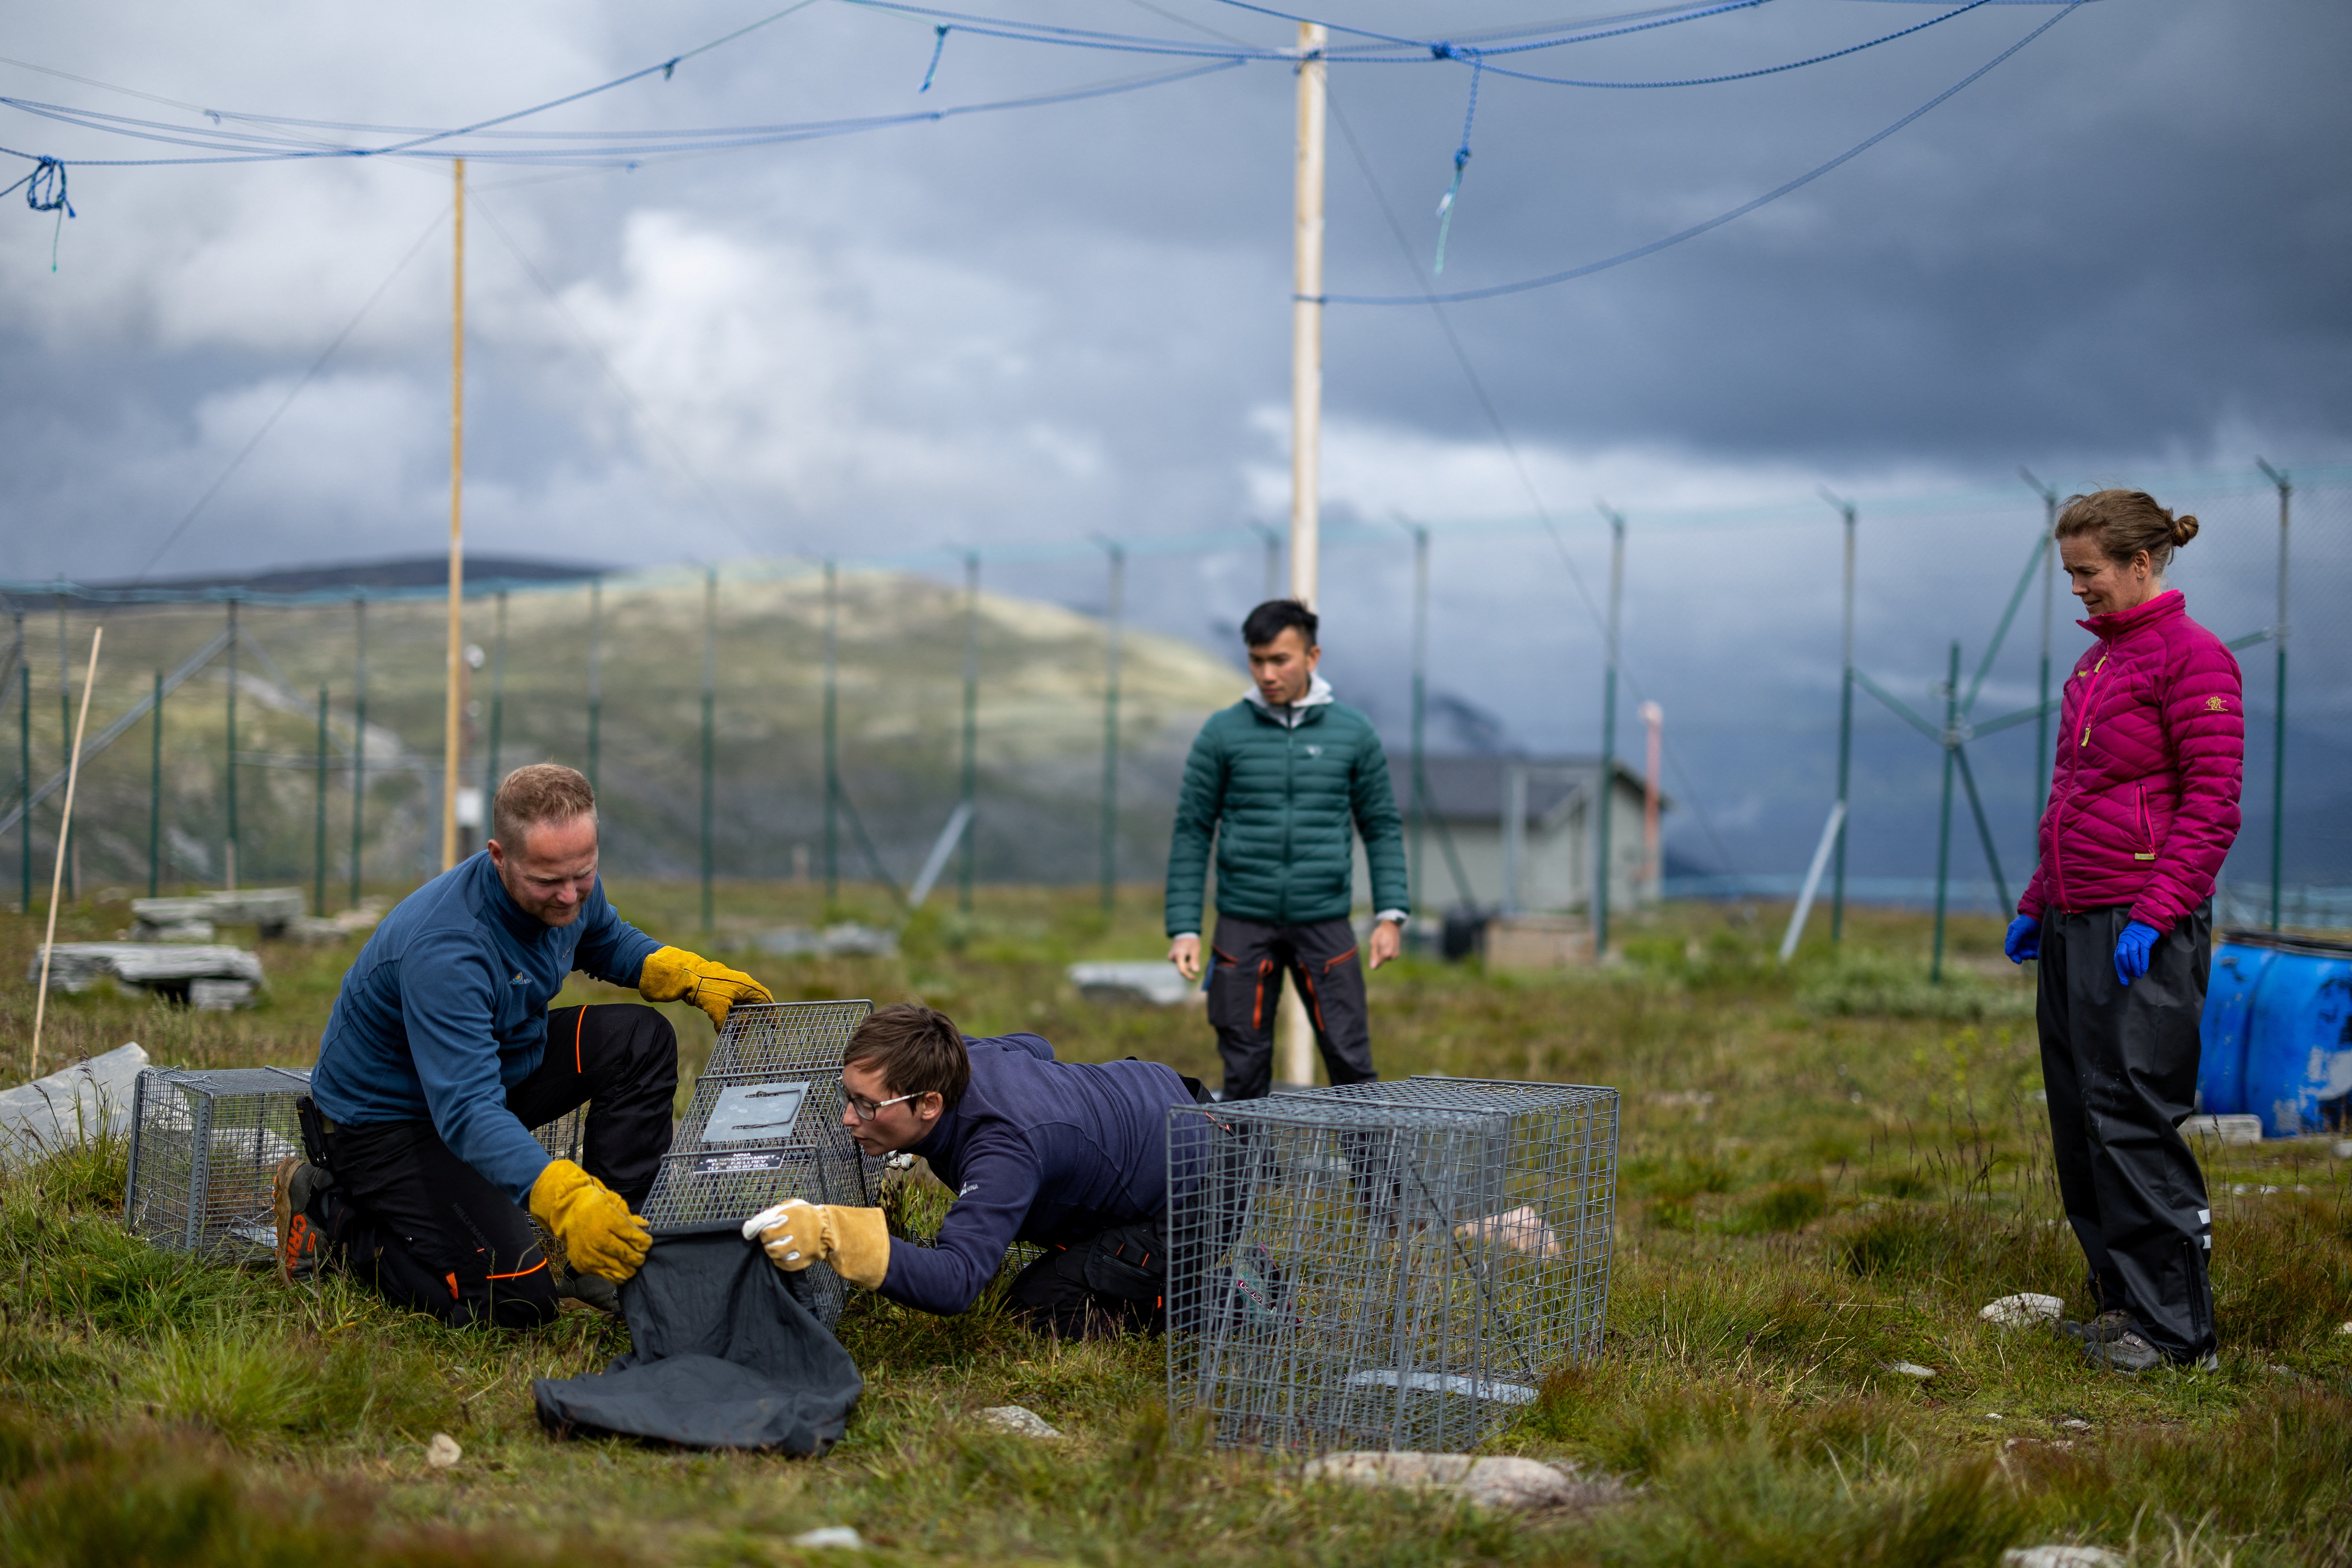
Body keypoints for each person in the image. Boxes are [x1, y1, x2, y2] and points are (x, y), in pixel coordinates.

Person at [274, 763, 775, 1328]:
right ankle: (334, 1215)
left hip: (492, 1073)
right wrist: (564, 1199)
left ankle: (614, 1247)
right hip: (391, 1126)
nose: (568, 896)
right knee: (517, 1301)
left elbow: (602, 937)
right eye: (547, 882)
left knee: (640, 1040)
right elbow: (466, 1111)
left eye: (582, 874)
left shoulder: (566, 876)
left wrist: (683, 972)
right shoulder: (448, 951)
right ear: (498, 856)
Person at [2004, 489, 2241, 1374]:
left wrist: (2156, 910)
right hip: (2077, 915)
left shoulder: (2195, 660)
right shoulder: (2095, 669)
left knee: (2135, 1117)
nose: (2078, 590)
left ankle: (2178, 1334)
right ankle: (2122, 1307)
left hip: (2142, 922)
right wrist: (2038, 898)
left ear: (2141, 563)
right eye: (2069, 574)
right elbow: (2076, 799)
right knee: (2081, 1118)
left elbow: (2213, 806)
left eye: (2088, 572)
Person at [741, 1003, 1209, 1339]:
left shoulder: (1003, 1148)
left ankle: (1234, 1298)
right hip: (1161, 1092)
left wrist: (838, 1235)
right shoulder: (959, 1057)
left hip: (1203, 1187)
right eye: (850, 1096)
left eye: (867, 1105)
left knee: (1041, 1308)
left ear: (930, 1105)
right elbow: (1036, 1045)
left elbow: (956, 1281)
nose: (849, 1118)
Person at [1163, 599, 1409, 1101]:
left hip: (1325, 922)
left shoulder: (1354, 732)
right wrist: (1185, 927)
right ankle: (1242, 1181)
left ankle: (1376, 1182)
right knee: (1243, 1069)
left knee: (1352, 1063)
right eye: (1257, 660)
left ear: (1312, 657)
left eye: (1281, 660)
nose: (1267, 673)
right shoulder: (1222, 732)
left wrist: (1391, 915)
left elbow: (1381, 824)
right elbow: (1192, 829)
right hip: (1242, 924)